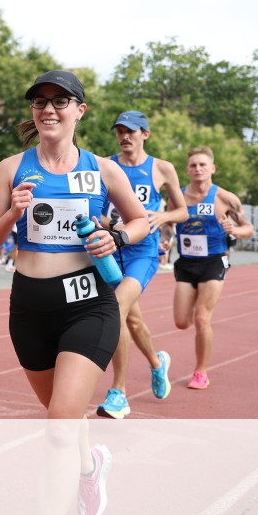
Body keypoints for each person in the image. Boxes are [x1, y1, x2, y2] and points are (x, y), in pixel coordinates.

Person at [0, 70, 149, 515]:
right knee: (63, 414)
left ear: (80, 110)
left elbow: (140, 221)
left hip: (88, 307)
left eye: (60, 101)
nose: (49, 109)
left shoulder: (103, 169)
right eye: (40, 102)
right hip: (30, 310)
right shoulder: (11, 168)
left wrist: (116, 236)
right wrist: (12, 214)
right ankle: (90, 469)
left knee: (58, 426)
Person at [95, 111, 188, 420]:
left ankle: (119, 393)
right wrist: (108, 223)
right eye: (120, 131)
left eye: (131, 131)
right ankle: (158, 363)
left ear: (145, 134)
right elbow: (100, 211)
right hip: (111, 250)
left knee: (116, 308)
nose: (125, 137)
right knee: (132, 321)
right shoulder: (107, 166)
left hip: (143, 253)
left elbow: (182, 212)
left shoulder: (162, 168)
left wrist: (163, 216)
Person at [173, 146, 253, 390]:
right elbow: (167, 224)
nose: (198, 169)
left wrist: (234, 230)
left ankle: (201, 372)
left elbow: (249, 229)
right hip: (186, 262)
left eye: (202, 165)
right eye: (193, 165)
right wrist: (164, 240)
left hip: (215, 260)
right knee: (181, 322)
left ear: (212, 168)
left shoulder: (226, 198)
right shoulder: (177, 197)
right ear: (187, 170)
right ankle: (197, 308)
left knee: (202, 318)